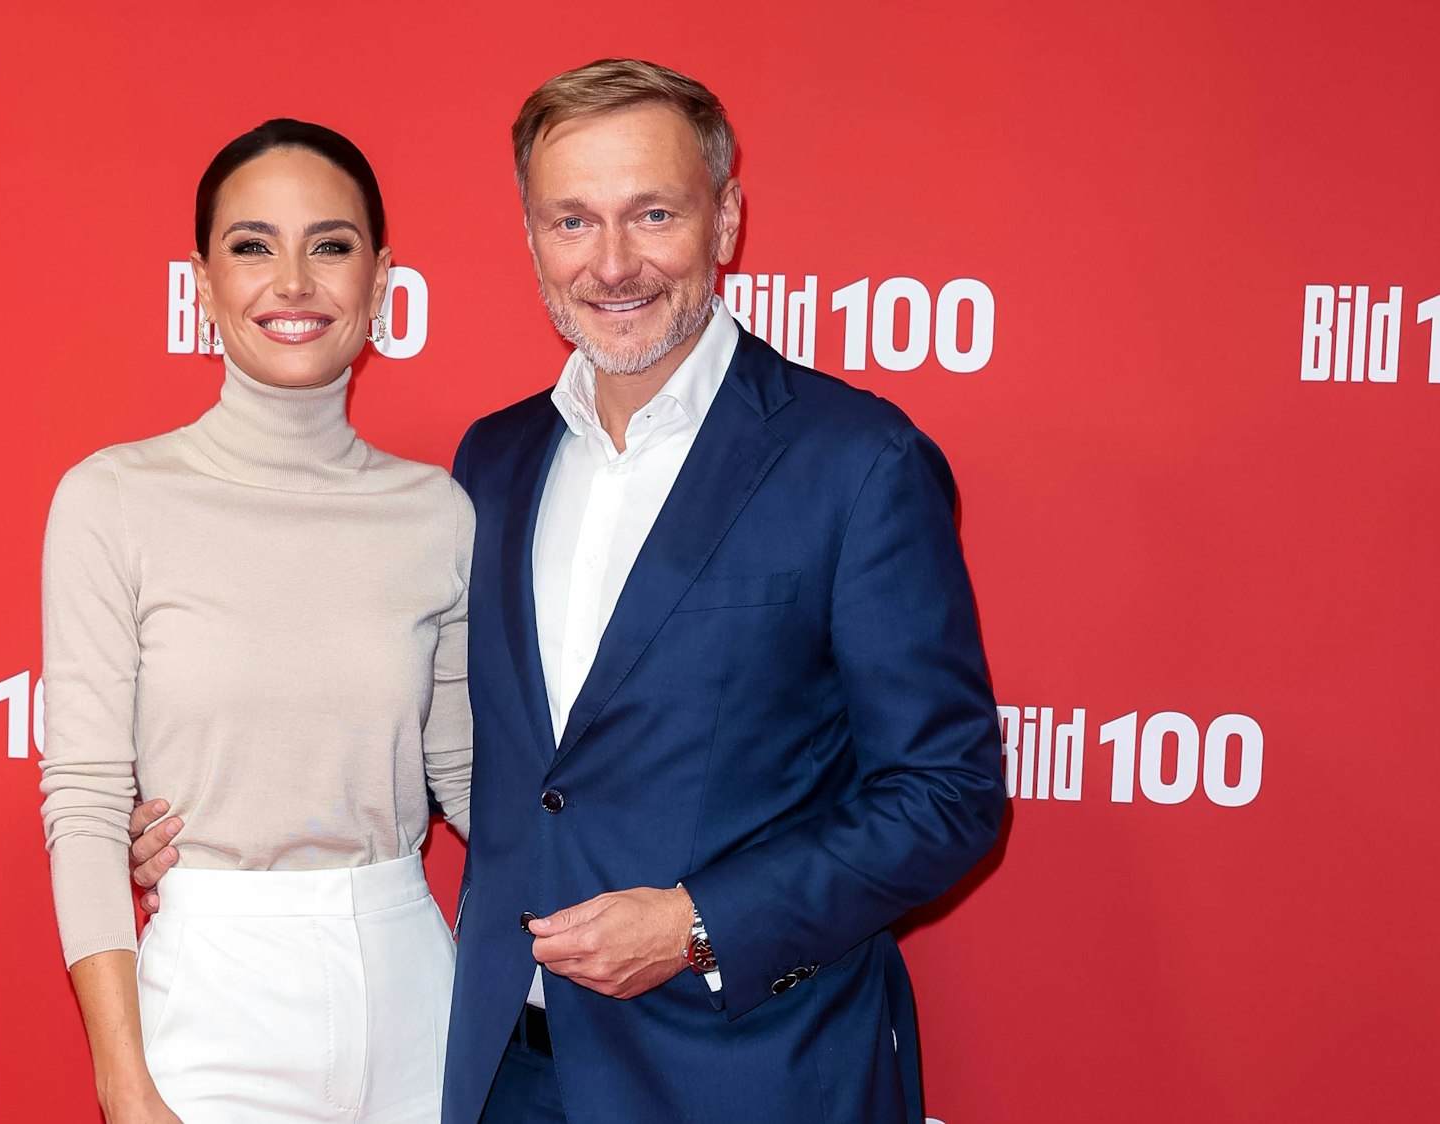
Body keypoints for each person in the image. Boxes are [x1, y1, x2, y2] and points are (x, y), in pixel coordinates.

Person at [130, 60, 1006, 1123]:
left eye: (652, 213)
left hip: (751, 1073)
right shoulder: (495, 461)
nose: (614, 262)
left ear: (725, 217)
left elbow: (946, 795)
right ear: (533, 237)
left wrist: (699, 920)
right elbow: (468, 752)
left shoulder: (855, 459)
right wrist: (225, 808)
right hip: (509, 1069)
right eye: (573, 221)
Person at [39, 117, 472, 1123]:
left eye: (329, 244)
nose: (292, 282)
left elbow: (470, 784)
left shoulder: (438, 511)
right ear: (201, 281)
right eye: (251, 246)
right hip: (211, 1001)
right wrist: (123, 1076)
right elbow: (87, 802)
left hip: (412, 987)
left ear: (380, 276)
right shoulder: (114, 498)